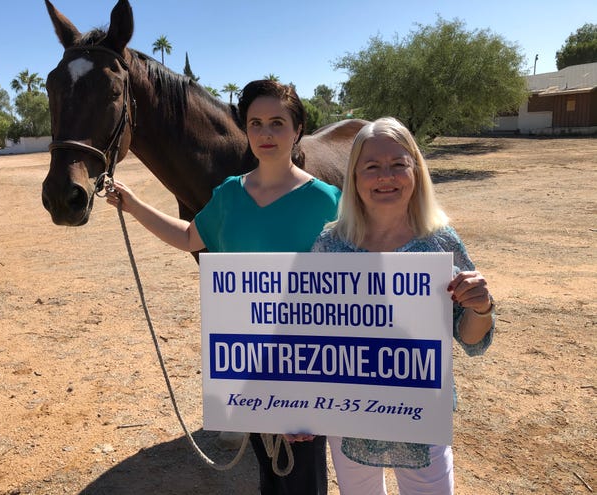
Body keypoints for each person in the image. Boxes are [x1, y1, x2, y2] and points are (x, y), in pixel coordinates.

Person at [106, 79, 339, 495]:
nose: (265, 134)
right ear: (244, 130)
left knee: (303, 477)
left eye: (277, 123)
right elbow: (188, 237)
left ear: (298, 129)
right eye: (255, 123)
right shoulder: (230, 195)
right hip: (249, 362)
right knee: (269, 472)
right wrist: (133, 203)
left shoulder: (328, 201)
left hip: (307, 365)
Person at [311, 117, 495, 495]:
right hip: (349, 411)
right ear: (354, 176)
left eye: (398, 164)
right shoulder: (330, 245)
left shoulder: (439, 241)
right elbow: (310, 333)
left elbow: (471, 339)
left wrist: (480, 308)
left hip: (420, 407)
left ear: (416, 168)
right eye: (372, 167)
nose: (386, 177)